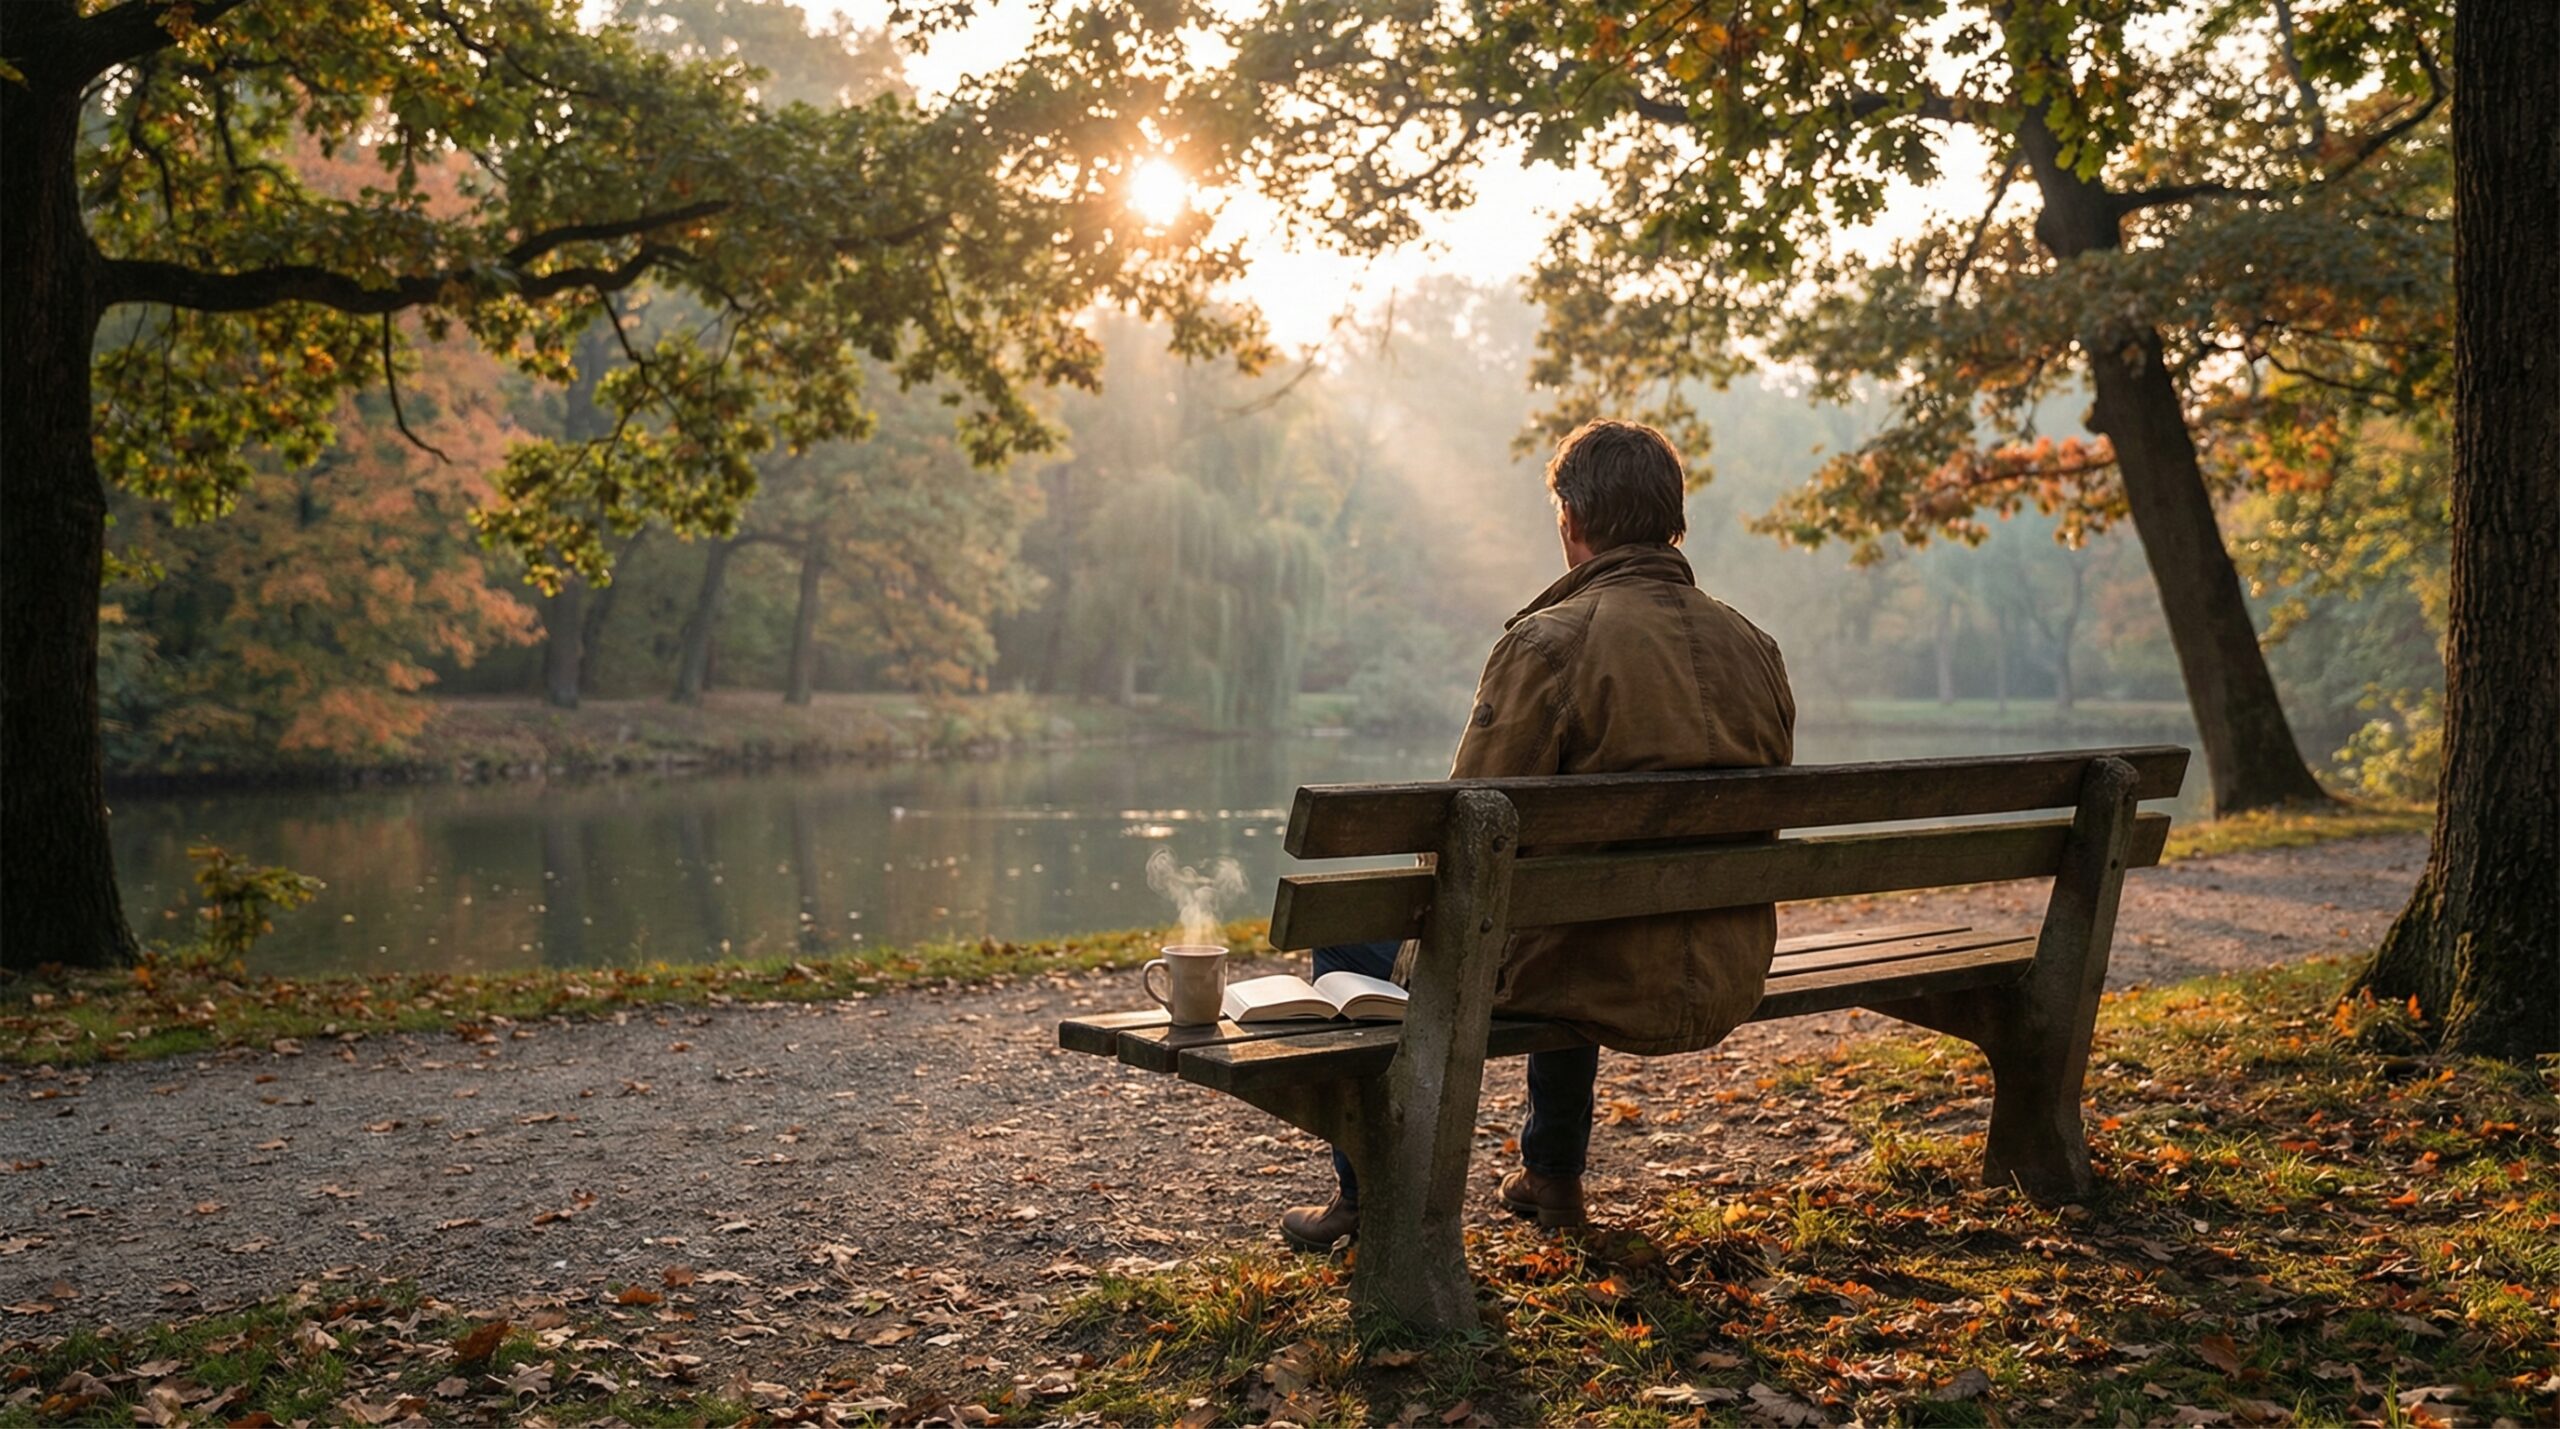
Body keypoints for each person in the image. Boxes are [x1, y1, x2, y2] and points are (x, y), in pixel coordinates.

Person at [1279, 418, 1796, 1251]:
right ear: (1674, 520)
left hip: (1602, 966)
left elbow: (1463, 834)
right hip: (1729, 963)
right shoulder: (1755, 645)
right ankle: (1550, 1174)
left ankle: (1366, 1196)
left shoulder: (1550, 641)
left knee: (1351, 935)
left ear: (1572, 523)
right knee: (1570, 902)